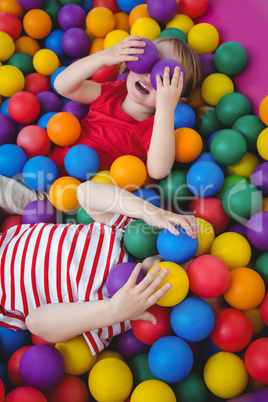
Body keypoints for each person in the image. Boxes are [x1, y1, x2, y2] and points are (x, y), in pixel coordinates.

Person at [0, 180, 199, 355]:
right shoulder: (124, 233)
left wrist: (113, 311)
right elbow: (86, 192)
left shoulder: (124, 309)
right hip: (7, 244)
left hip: (120, 244)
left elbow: (36, 322)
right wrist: (151, 212)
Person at [50, 35, 201, 179]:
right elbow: (62, 86)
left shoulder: (157, 129)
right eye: (148, 61)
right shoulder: (113, 91)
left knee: (90, 190)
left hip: (91, 193)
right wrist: (103, 57)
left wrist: (166, 108)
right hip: (49, 171)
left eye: (163, 77)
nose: (149, 75)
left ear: (176, 99)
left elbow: (158, 170)